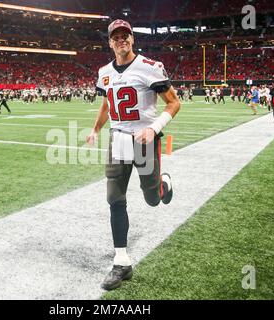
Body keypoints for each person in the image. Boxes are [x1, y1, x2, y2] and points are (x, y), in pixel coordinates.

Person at [86, 19, 181, 291]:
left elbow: (174, 103)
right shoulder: (104, 72)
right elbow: (107, 104)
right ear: (110, 42)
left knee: (152, 199)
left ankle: (163, 184)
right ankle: (121, 261)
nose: (121, 40)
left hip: (144, 139)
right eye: (116, 37)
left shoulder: (150, 67)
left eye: (125, 36)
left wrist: (154, 128)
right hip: (119, 140)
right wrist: (95, 129)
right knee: (114, 198)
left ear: (132, 39)